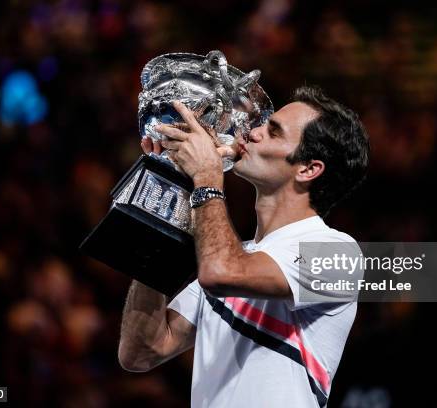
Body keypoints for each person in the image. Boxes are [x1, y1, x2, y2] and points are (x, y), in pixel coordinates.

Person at [118, 86, 370, 407]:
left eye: (273, 131)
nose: (253, 132)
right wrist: (171, 188)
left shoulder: (339, 253)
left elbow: (221, 272)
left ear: (308, 169)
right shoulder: (238, 254)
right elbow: (141, 350)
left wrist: (206, 177)